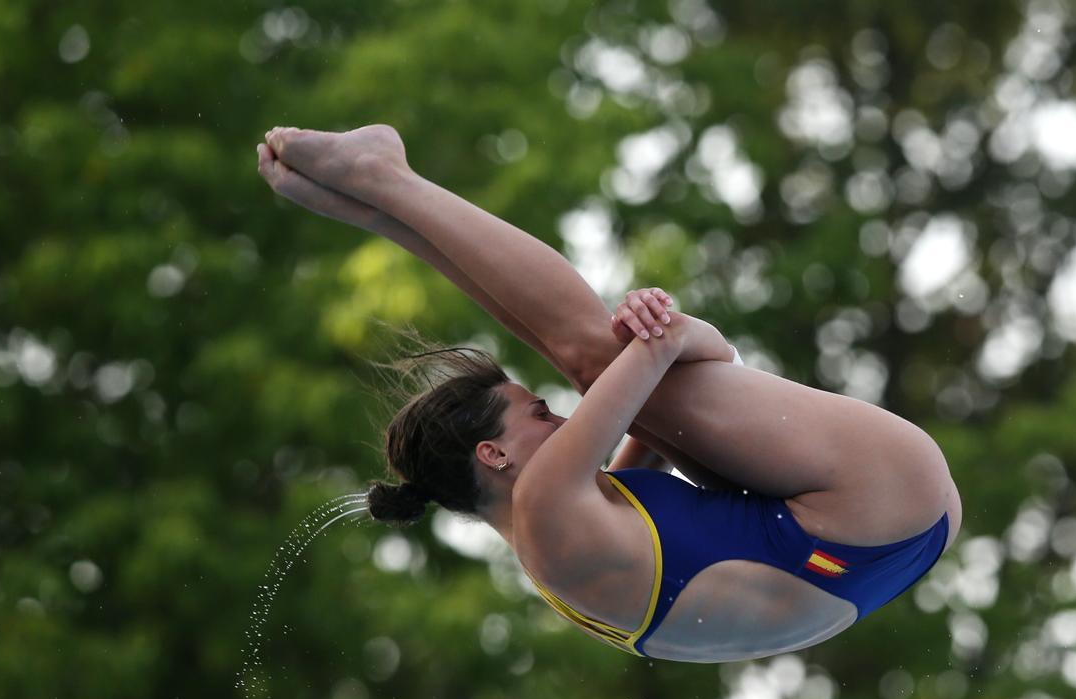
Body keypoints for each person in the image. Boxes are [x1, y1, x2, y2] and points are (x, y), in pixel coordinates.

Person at [255, 125, 962, 663]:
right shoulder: (545, 507)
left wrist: (669, 345)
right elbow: (672, 349)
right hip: (876, 498)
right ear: (494, 453)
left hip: (883, 546)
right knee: (594, 356)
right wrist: (656, 327)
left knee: (603, 368)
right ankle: (384, 184)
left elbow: (687, 377)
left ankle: (382, 206)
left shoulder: (556, 554)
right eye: (537, 415)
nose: (563, 418)